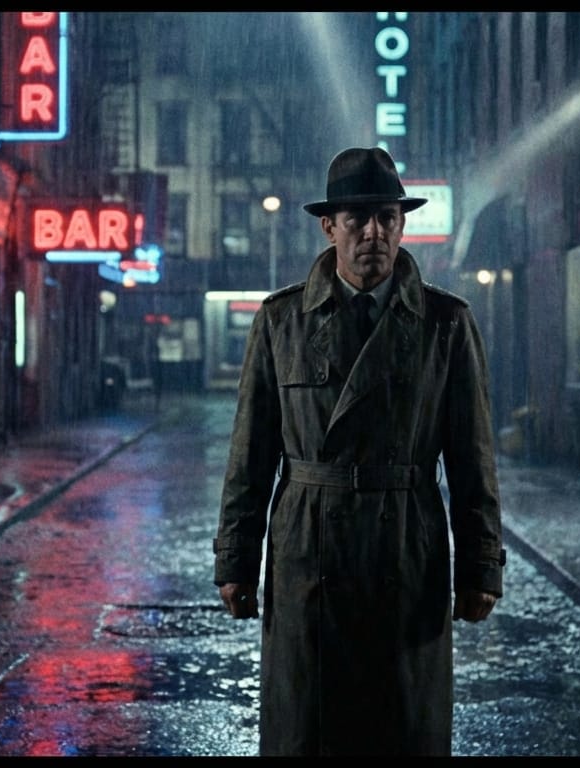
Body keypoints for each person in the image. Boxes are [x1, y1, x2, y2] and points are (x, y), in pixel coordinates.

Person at [212, 146, 505, 756]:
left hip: (406, 544)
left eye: (387, 218)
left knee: (401, 728)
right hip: (307, 551)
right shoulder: (282, 320)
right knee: (307, 731)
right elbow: (251, 454)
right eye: (357, 219)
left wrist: (480, 567)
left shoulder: (445, 323)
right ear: (330, 225)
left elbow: (473, 459)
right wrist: (236, 559)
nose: (374, 233)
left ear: (402, 224)